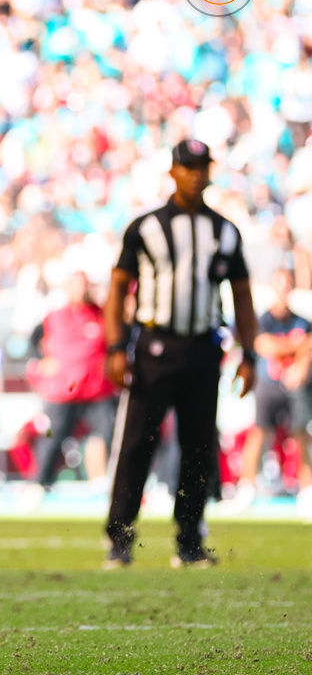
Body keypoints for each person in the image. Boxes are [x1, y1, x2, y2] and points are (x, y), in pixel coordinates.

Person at [103, 139, 258, 569]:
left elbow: (242, 296)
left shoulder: (225, 230)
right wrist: (116, 346)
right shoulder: (146, 226)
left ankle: (189, 539)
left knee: (198, 448)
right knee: (137, 444)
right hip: (154, 347)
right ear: (173, 172)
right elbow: (118, 288)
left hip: (203, 350)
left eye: (201, 167)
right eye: (187, 167)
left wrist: (250, 353)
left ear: (209, 171)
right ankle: (119, 538)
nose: (195, 174)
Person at [27, 269, 118, 492]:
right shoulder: (55, 316)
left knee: (109, 433)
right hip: (63, 389)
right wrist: (40, 361)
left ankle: (102, 481)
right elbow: (34, 341)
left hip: (96, 389)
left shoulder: (102, 315)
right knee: (53, 436)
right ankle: (40, 482)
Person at [233, 268, 312, 509]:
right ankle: (246, 487)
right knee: (258, 433)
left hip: (295, 386)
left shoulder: (302, 321)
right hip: (268, 384)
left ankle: (306, 488)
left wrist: (300, 364)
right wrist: (294, 345)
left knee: (300, 434)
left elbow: (308, 348)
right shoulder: (264, 320)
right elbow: (263, 345)